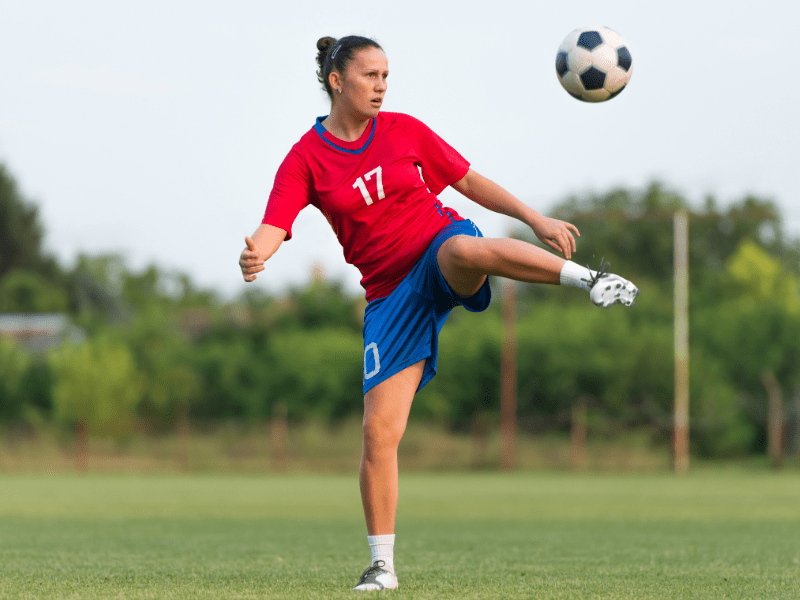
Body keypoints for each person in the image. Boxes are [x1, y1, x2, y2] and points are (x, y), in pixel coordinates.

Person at [239, 34, 639, 591]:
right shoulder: (306, 158)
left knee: (462, 249)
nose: (381, 85)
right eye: (370, 75)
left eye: (386, 76)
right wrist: (258, 250)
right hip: (387, 296)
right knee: (379, 433)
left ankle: (589, 280)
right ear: (336, 80)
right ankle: (382, 567)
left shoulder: (404, 129)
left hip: (437, 249)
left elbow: (468, 181)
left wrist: (535, 218)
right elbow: (276, 221)